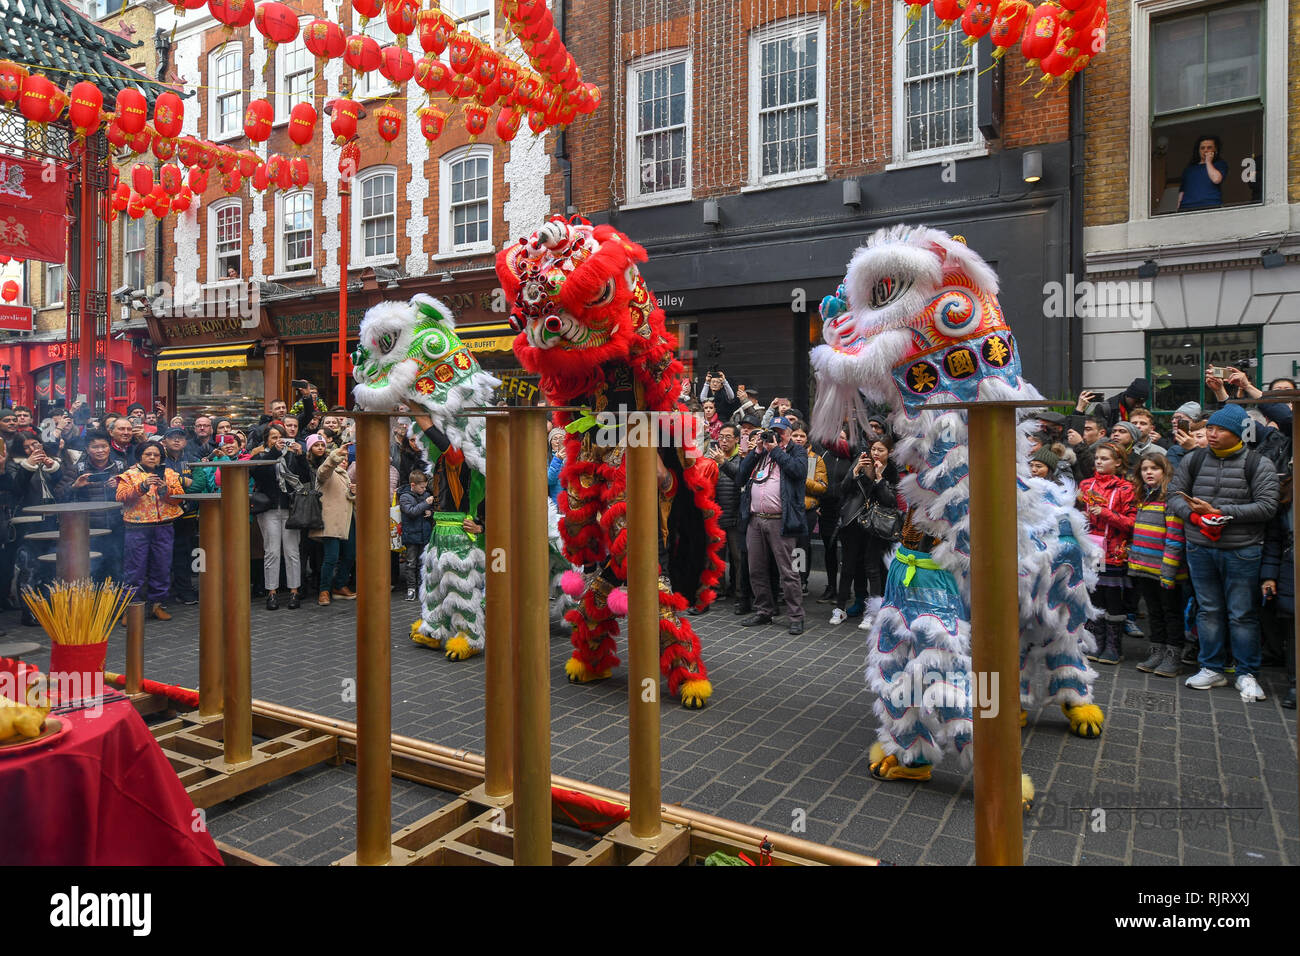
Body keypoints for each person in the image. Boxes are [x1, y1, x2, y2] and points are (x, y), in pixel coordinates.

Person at [1168, 403, 1279, 701]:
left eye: (1219, 429)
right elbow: (1173, 496)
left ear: (1238, 434)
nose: (1211, 434)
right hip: (1200, 546)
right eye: (1209, 429)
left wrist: (1221, 512)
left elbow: (1268, 507)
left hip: (1242, 550)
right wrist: (1195, 517)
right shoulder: (1193, 460)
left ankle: (1247, 674)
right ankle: (1211, 668)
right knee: (1208, 610)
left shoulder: (1259, 464)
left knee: (1242, 614)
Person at [735, 416, 807, 635]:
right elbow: (740, 477)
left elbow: (798, 472)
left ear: (787, 432)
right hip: (756, 519)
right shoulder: (762, 453)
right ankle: (764, 610)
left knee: (789, 571)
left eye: (780, 431)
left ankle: (796, 616)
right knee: (755, 569)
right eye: (772, 431)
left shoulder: (797, 451)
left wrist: (776, 450)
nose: (776, 435)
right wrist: (756, 450)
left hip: (780, 521)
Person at [1077, 442, 1138, 664]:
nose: (1099, 462)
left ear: (1118, 462)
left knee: (1113, 598)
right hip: (1090, 550)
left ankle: (1113, 647)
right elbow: (1074, 512)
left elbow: (1132, 523)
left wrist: (1106, 514)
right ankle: (1096, 642)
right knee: (1094, 595)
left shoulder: (1125, 489)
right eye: (1097, 458)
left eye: (1105, 458)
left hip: (1113, 552)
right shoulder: (1085, 485)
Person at [1128, 453, 1188, 677]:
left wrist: (1169, 571)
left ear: (1165, 471)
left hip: (1165, 569)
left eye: (1154, 468)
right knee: (1154, 611)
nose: (1149, 473)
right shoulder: (1143, 497)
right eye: (1144, 469)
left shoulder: (1171, 499)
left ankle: (1173, 655)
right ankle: (1157, 650)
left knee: (1171, 612)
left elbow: (1174, 538)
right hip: (1145, 567)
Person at [116, 442, 185, 621]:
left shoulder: (169, 474)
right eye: (148, 454)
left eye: (156, 454)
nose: (152, 457)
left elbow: (178, 498)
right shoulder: (129, 475)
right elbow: (121, 497)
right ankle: (130, 610)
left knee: (162, 567)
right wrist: (142, 486)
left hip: (164, 526)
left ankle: (157, 605)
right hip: (136, 527)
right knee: (134, 570)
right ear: (140, 456)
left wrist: (164, 489)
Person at [830, 439, 896, 625]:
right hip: (853, 523)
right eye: (873, 449)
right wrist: (856, 470)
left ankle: (872, 613)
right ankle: (840, 608)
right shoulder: (861, 461)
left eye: (880, 450)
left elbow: (890, 500)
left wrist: (879, 478)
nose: (875, 453)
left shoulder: (890, 470)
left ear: (888, 452)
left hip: (875, 525)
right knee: (848, 567)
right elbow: (843, 489)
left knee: (872, 568)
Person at [249, 422, 309, 610]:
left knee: (292, 552)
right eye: (273, 437)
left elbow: (305, 477)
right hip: (269, 509)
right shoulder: (260, 456)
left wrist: (300, 457)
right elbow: (259, 475)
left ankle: (294, 591)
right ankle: (272, 592)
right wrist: (274, 453)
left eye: (280, 437)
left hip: (290, 509)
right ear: (267, 439)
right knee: (272, 552)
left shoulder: (292, 456)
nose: (277, 441)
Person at [55, 430, 125, 583]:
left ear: (109, 447)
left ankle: (115, 604)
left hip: (117, 526)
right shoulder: (77, 469)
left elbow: (133, 492)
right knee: (93, 569)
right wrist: (75, 485)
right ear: (87, 449)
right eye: (95, 447)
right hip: (89, 529)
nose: (100, 451)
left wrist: (121, 485)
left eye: (103, 446)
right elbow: (59, 495)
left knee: (116, 567)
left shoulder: (120, 466)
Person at [1261, 472, 1295, 709]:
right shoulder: (1288, 494)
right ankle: (1295, 683)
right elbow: (1275, 540)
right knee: (1293, 629)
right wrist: (1269, 576)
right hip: (1291, 568)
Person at [312, 442, 356, 605]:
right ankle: (324, 590)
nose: (344, 460)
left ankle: (339, 585)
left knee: (350, 554)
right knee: (331, 556)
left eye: (346, 458)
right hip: (331, 521)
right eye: (341, 458)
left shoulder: (345, 475)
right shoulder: (328, 471)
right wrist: (335, 456)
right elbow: (324, 471)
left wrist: (353, 493)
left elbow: (346, 499)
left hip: (347, 520)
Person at [815, 428, 854, 604]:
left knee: (847, 551)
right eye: (837, 436)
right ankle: (831, 587)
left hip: (845, 509)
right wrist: (816, 502)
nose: (840, 441)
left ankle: (846, 590)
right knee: (829, 550)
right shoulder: (823, 454)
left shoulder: (851, 458)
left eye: (844, 438)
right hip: (826, 509)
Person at [787, 421, 826, 595]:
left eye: (802, 436)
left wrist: (802, 478)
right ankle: (787, 580)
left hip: (806, 510)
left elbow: (822, 486)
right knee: (787, 547)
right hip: (787, 509)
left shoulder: (816, 459)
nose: (798, 439)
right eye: (795, 435)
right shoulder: (784, 454)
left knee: (801, 547)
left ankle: (801, 580)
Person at [710, 424, 745, 606]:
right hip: (717, 513)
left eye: (728, 437)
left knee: (737, 557)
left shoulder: (742, 457)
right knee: (717, 557)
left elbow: (740, 477)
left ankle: (740, 593)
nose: (723, 441)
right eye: (721, 437)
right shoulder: (712, 457)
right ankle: (718, 590)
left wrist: (723, 462)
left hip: (735, 514)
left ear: (737, 439)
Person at [398, 469, 434, 601]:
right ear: (413, 485)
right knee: (411, 563)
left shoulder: (425, 494)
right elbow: (411, 512)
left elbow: (429, 510)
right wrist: (426, 504)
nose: (424, 489)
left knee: (422, 562)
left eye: (425, 487)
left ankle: (421, 586)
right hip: (412, 535)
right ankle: (411, 588)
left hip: (424, 534)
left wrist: (431, 512)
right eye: (422, 487)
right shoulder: (405, 496)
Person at [1177, 134, 1227, 212]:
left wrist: (1208, 161)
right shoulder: (1189, 169)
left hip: (1211, 206)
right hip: (1187, 208)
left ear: (1216, 150)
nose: (1205, 150)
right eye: (1202, 148)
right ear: (1199, 151)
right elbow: (1182, 193)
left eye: (1209, 147)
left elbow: (1216, 179)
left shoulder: (1219, 164)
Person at [546, 427, 565, 503]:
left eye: (561, 438)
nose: (558, 441)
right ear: (550, 442)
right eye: (555, 438)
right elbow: (550, 481)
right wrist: (557, 460)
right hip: (556, 504)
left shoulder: (573, 457)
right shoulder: (546, 459)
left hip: (572, 502)